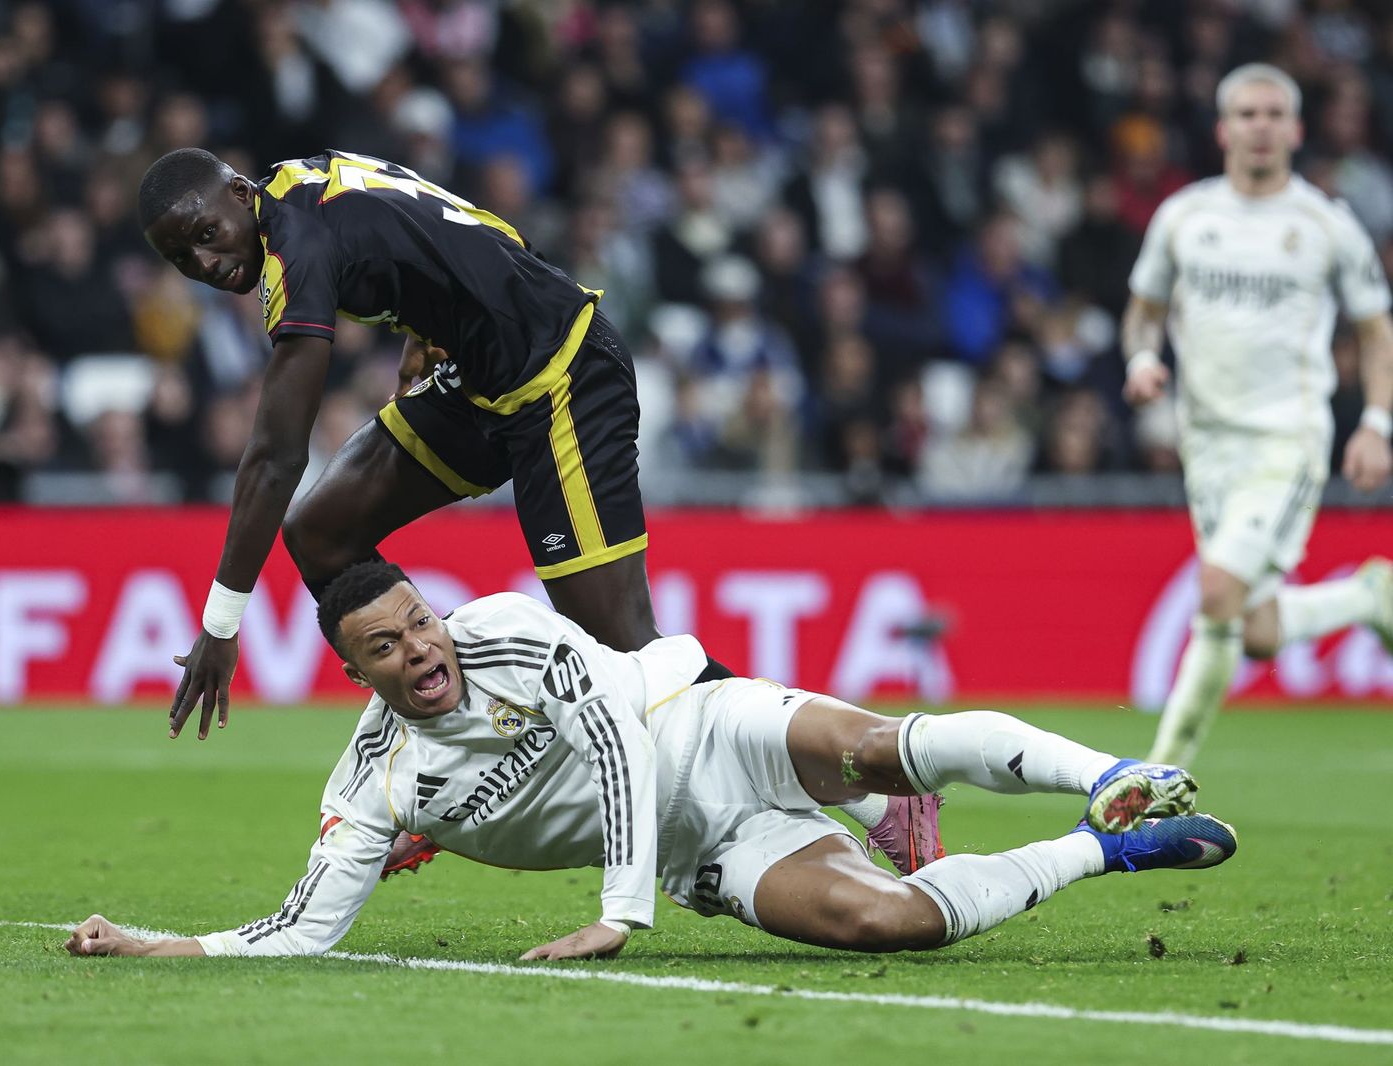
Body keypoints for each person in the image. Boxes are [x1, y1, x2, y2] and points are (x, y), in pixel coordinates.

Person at [64, 562, 1235, 961]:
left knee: (880, 742)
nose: (424, 648)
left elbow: (620, 742)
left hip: (695, 719)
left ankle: (1104, 773)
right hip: (705, 845)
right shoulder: (373, 787)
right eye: (389, 645)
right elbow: (297, 932)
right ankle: (1104, 844)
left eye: (419, 620)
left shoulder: (509, 629)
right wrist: (150, 944)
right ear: (354, 673)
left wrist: (616, 914)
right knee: (885, 928)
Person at [136, 146, 731, 746]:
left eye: (207, 234)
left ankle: (791, 735)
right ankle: (470, 735)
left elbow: (276, 457)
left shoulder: (297, 246)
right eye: (181, 257)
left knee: (620, 646)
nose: (205, 262)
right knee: (321, 532)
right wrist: (425, 333)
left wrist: (220, 625)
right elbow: (451, 225)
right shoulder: (303, 179)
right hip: (477, 380)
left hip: (562, 375)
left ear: (240, 193)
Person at [1121, 64, 1393, 767]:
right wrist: (1141, 361)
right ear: (1223, 129)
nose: (1261, 126)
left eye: (1275, 113)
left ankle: (1155, 779)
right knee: (1260, 631)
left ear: (1297, 130)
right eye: (1247, 114)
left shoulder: (1324, 225)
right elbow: (1143, 314)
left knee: (1216, 591)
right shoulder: (1186, 218)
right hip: (1206, 443)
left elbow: (1375, 326)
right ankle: (1369, 597)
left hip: (1287, 436)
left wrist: (1376, 423)